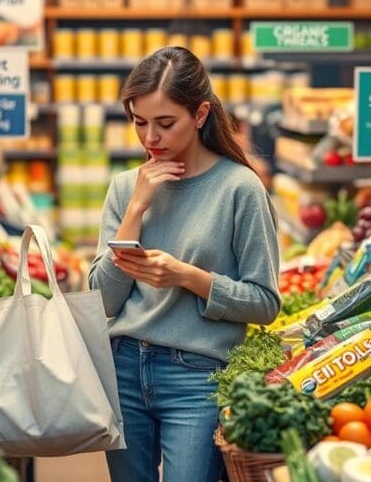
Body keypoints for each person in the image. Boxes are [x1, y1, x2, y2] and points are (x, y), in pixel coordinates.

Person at [88, 46, 281, 482]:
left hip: (198, 377)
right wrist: (136, 209)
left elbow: (265, 302)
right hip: (123, 370)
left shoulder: (240, 189)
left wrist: (187, 277)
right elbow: (102, 298)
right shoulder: (126, 188)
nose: (150, 138)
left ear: (200, 114)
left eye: (165, 123)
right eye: (139, 122)